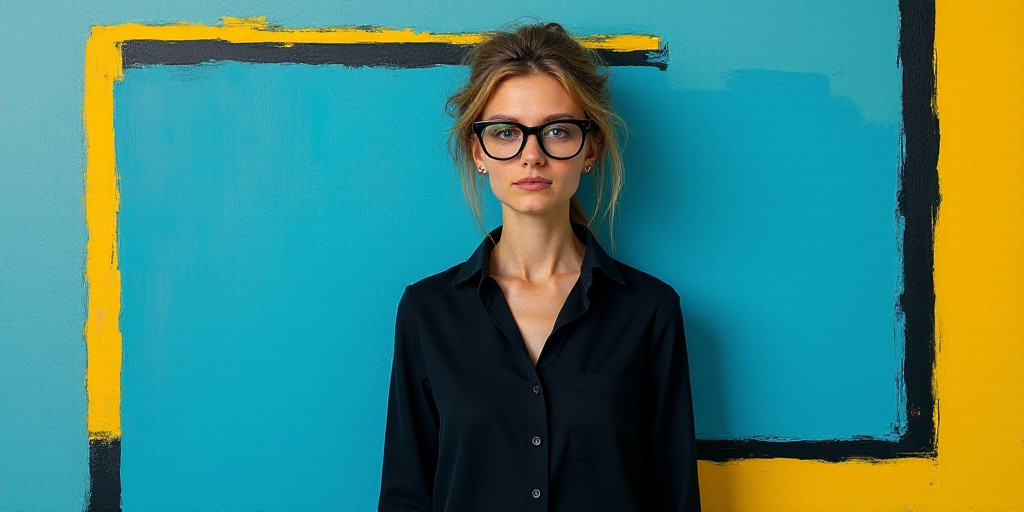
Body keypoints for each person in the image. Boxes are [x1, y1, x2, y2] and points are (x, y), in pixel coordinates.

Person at [377, 20, 701, 512]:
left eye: (557, 130)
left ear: (589, 148)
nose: (532, 155)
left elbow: (674, 497)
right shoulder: (427, 311)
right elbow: (406, 494)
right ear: (477, 150)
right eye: (506, 132)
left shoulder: (650, 311)